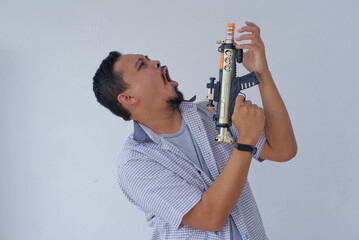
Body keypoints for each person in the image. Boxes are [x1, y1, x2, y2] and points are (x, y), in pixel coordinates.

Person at [93, 21, 297, 240]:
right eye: (142, 65)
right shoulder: (135, 165)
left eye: (148, 57)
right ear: (128, 98)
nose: (156, 62)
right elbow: (209, 217)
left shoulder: (212, 114)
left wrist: (262, 75)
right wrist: (246, 141)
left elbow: (283, 150)